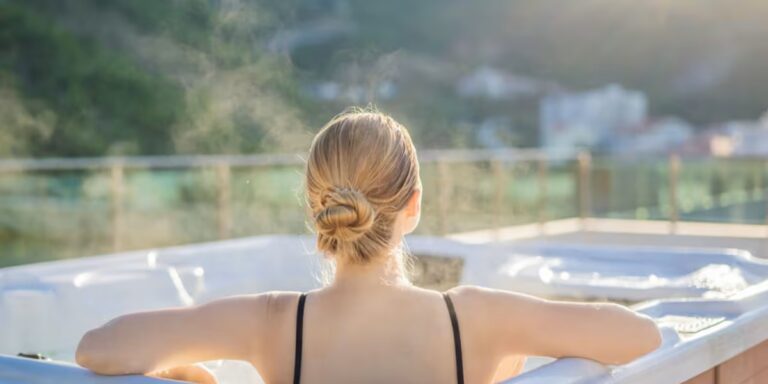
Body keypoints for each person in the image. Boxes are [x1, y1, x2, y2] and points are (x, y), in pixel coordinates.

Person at [76, 110, 662, 384]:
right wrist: (511, 349)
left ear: (317, 211)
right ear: (415, 204)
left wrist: (190, 371)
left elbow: (96, 348)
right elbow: (640, 337)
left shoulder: (271, 323)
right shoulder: (475, 318)